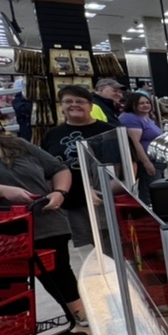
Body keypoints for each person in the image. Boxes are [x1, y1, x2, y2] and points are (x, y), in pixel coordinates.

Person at [0, 106, 88, 326]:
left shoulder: (17, 144)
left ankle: (80, 314)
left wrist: (59, 193)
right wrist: (3, 190)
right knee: (8, 281)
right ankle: (15, 326)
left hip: (46, 220)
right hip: (0, 230)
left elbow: (58, 169)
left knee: (59, 272)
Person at [40, 85, 115, 248]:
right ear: (62, 107)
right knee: (85, 250)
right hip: (70, 204)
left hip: (104, 204)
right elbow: (46, 168)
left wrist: (106, 191)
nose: (74, 105)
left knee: (110, 249)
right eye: (68, 101)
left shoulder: (110, 131)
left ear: (90, 106)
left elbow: (128, 167)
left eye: (80, 101)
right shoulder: (52, 134)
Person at [119, 92, 163, 204]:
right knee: (151, 196)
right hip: (146, 164)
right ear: (132, 105)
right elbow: (135, 143)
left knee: (159, 192)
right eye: (141, 103)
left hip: (156, 161)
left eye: (147, 102)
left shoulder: (146, 117)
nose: (145, 105)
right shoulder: (130, 118)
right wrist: (146, 162)